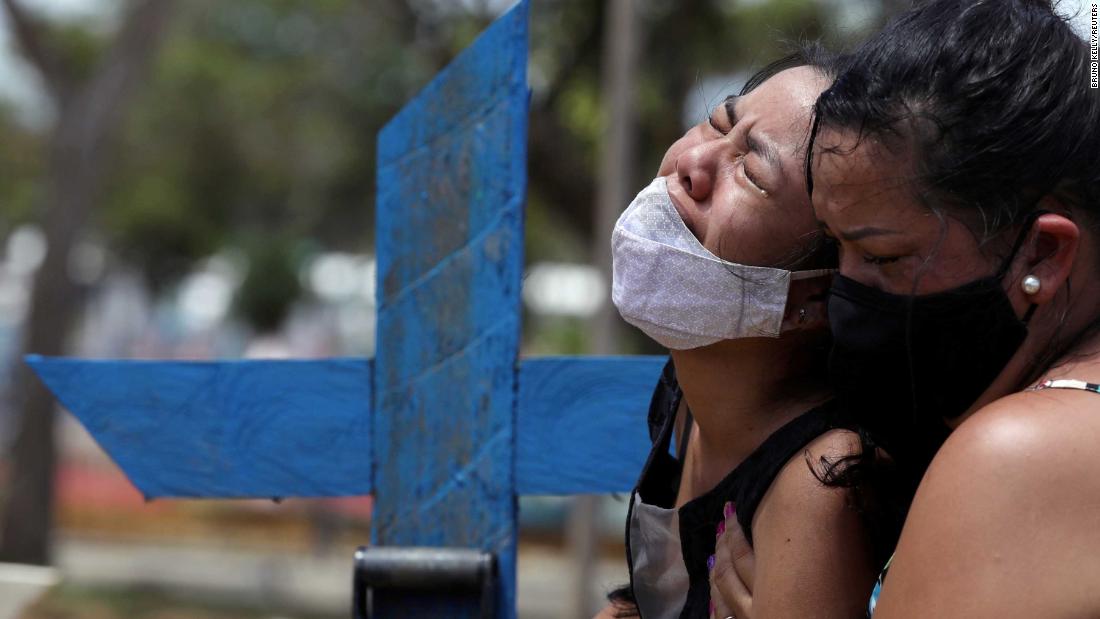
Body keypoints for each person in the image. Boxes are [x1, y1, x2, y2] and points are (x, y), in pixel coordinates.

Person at [708, 0, 1100, 617]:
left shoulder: (1014, 455)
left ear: (1044, 253)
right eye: (835, 248)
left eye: (885, 258)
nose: (845, 293)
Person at [595, 48, 910, 619]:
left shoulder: (821, 484)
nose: (695, 162)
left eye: (754, 172)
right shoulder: (689, 390)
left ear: (814, 294)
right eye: (718, 123)